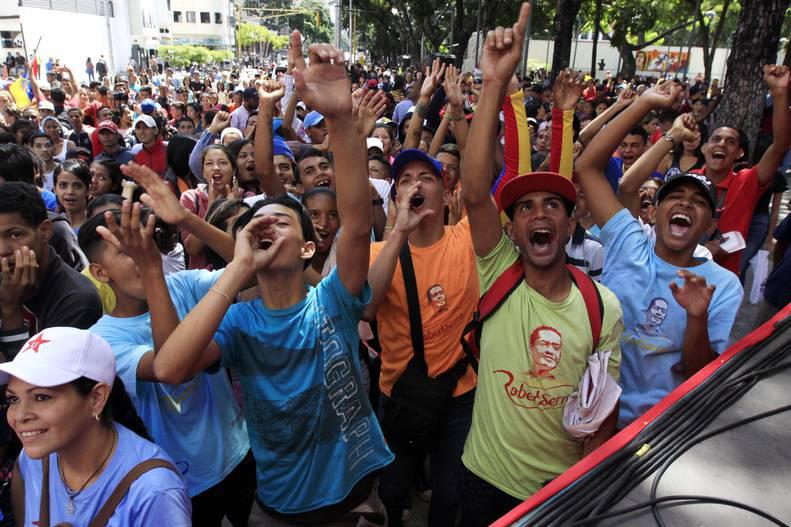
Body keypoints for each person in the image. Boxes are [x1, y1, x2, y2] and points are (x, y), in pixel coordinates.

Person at [148, 34, 393, 525]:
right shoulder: (237, 322)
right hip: (278, 504)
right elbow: (171, 369)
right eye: (257, 224)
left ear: (307, 248)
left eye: (282, 220)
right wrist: (237, 267)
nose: (266, 224)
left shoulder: (332, 300)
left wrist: (343, 120)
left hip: (353, 497)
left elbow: (357, 221)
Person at [458, 7, 623, 524]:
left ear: (571, 224)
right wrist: (494, 83)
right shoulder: (498, 271)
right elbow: (474, 188)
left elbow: (602, 416)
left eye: (553, 204)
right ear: (511, 230)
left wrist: (584, 494)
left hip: (560, 493)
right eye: (525, 207)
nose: (538, 214)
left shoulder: (602, 308)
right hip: (481, 477)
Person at [575, 73, 743, 430]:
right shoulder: (627, 241)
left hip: (658, 432)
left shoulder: (722, 285)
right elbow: (587, 166)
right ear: (656, 211)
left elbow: (702, 374)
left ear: (709, 225)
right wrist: (645, 103)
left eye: (698, 203)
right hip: (592, 417)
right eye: (675, 198)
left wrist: (697, 317)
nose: (685, 204)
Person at [80, 194, 255, 527]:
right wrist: (151, 270)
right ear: (101, 273)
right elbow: (173, 368)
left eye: (143, 245)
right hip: (180, 479)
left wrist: (187, 220)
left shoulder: (185, 285)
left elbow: (251, 267)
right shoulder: (103, 340)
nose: (141, 256)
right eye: (126, 251)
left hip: (238, 451)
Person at [365, 149, 478, 527]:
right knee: (393, 490)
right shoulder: (379, 252)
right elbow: (366, 307)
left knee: (450, 493)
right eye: (406, 180)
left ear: (445, 194)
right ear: (396, 197)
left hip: (460, 395)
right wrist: (400, 229)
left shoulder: (466, 238)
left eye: (426, 177)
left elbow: (499, 175)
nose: (416, 184)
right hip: (401, 394)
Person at [3, 327, 192, 525]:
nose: (20, 415)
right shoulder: (33, 459)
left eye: (41, 397)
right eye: (13, 399)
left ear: (96, 398)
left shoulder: (154, 491)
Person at [694, 65, 790, 274]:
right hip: (682, 273)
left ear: (739, 154)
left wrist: (780, 93)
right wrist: (701, 250)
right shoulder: (689, 182)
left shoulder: (746, 182)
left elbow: (781, 145)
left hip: (723, 281)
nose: (721, 144)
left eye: (730, 142)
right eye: (716, 139)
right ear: (704, 148)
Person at [53, 159, 91, 232]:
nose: (70, 192)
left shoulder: (94, 227)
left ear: (88, 190)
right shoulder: (53, 227)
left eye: (77, 186)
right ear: (55, 189)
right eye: (63, 185)